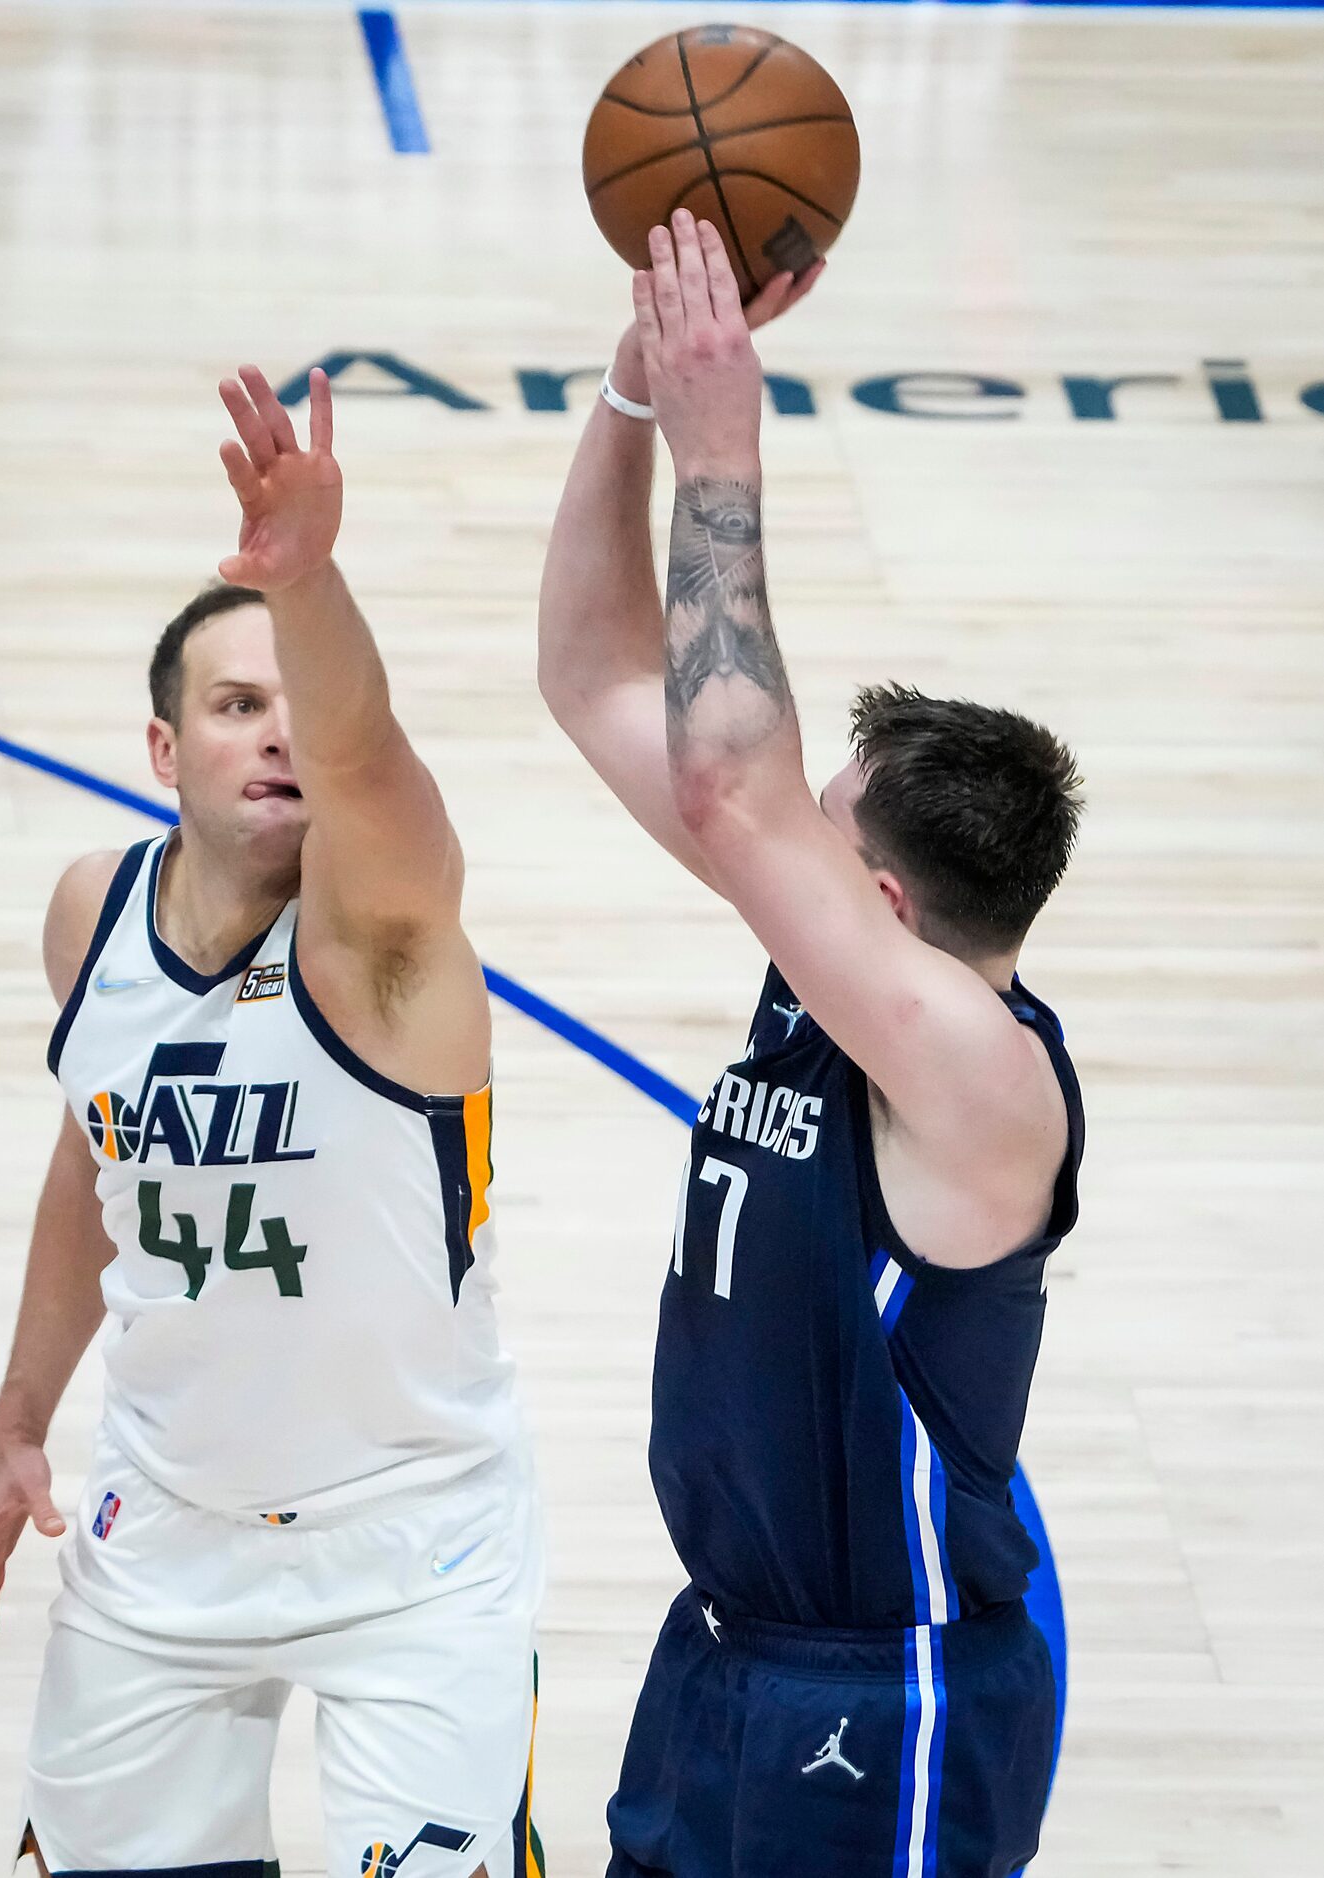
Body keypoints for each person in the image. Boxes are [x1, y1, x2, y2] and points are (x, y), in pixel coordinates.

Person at [0, 365, 544, 1878]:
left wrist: (307, 578)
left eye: (292, 706)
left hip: (415, 1540)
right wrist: (17, 1421)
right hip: (169, 1529)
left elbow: (369, 756)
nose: (278, 736)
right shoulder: (92, 917)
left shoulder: (385, 936)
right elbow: (99, 1157)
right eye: (234, 704)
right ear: (165, 749)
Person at [538, 212, 1086, 1878]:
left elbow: (723, 778)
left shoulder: (980, 1083)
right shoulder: (833, 969)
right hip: (728, 1647)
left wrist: (725, 453)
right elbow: (588, 674)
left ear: (884, 893)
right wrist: (632, 399)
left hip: (886, 1696)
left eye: (814, 822)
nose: (764, 832)